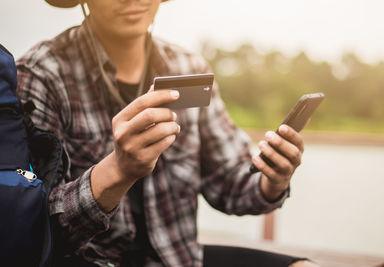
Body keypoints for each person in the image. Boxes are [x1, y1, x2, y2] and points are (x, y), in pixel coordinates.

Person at [16, 0, 318, 266]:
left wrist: (271, 181)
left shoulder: (187, 66)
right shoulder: (41, 75)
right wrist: (118, 170)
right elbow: (34, 227)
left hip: (178, 257)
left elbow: (229, 184)